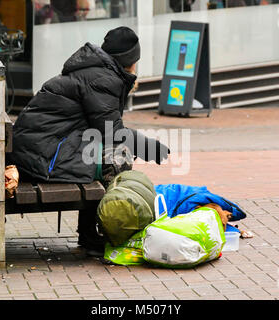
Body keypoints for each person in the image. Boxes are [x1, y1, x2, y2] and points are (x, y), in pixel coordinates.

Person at [10, 26, 170, 255]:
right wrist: (146, 145)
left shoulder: (97, 72)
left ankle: (90, 233)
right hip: (45, 155)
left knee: (103, 154)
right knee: (115, 158)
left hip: (43, 148)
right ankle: (102, 233)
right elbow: (111, 133)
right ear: (130, 61)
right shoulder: (102, 79)